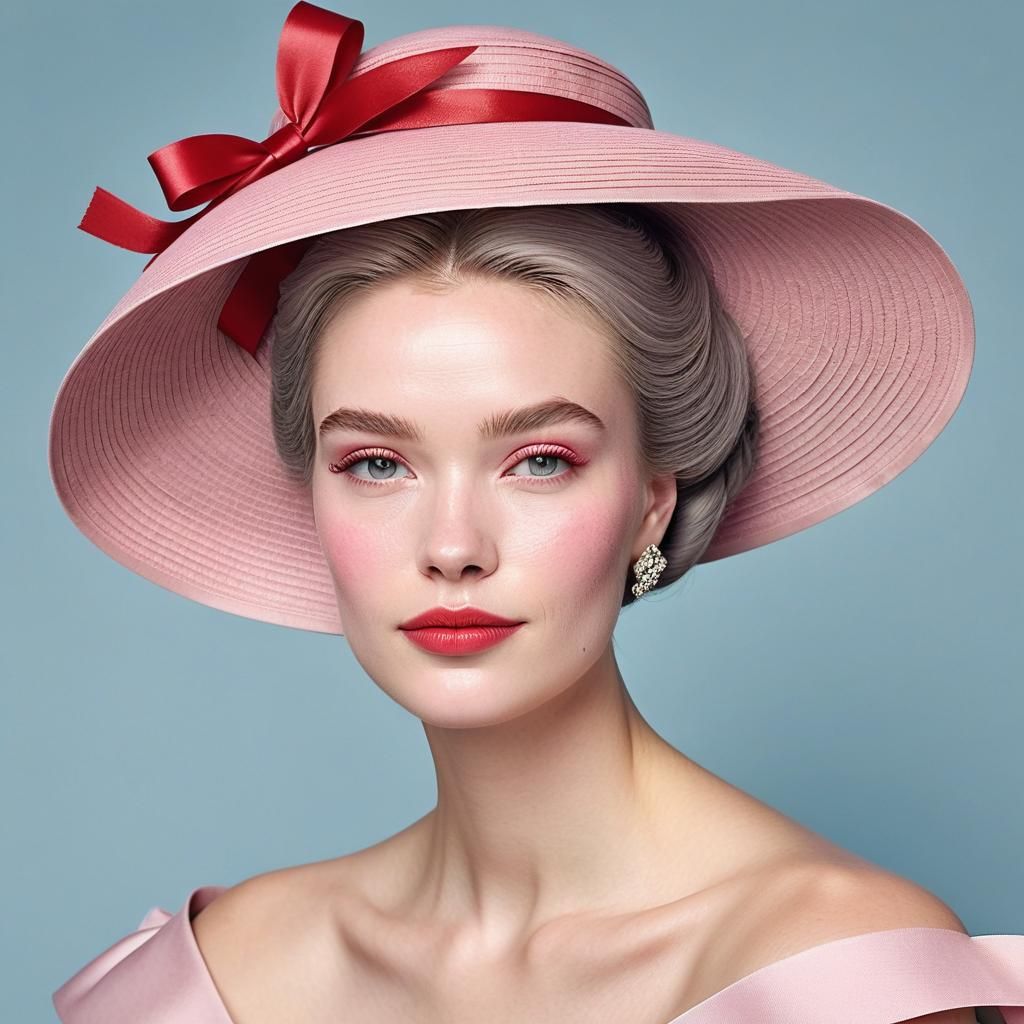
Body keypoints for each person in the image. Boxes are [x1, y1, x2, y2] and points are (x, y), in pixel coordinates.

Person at [48, 4, 1024, 1023]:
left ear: (653, 502)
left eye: (539, 460)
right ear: (312, 491)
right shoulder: (223, 973)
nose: (453, 547)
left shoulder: (832, 967)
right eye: (378, 461)